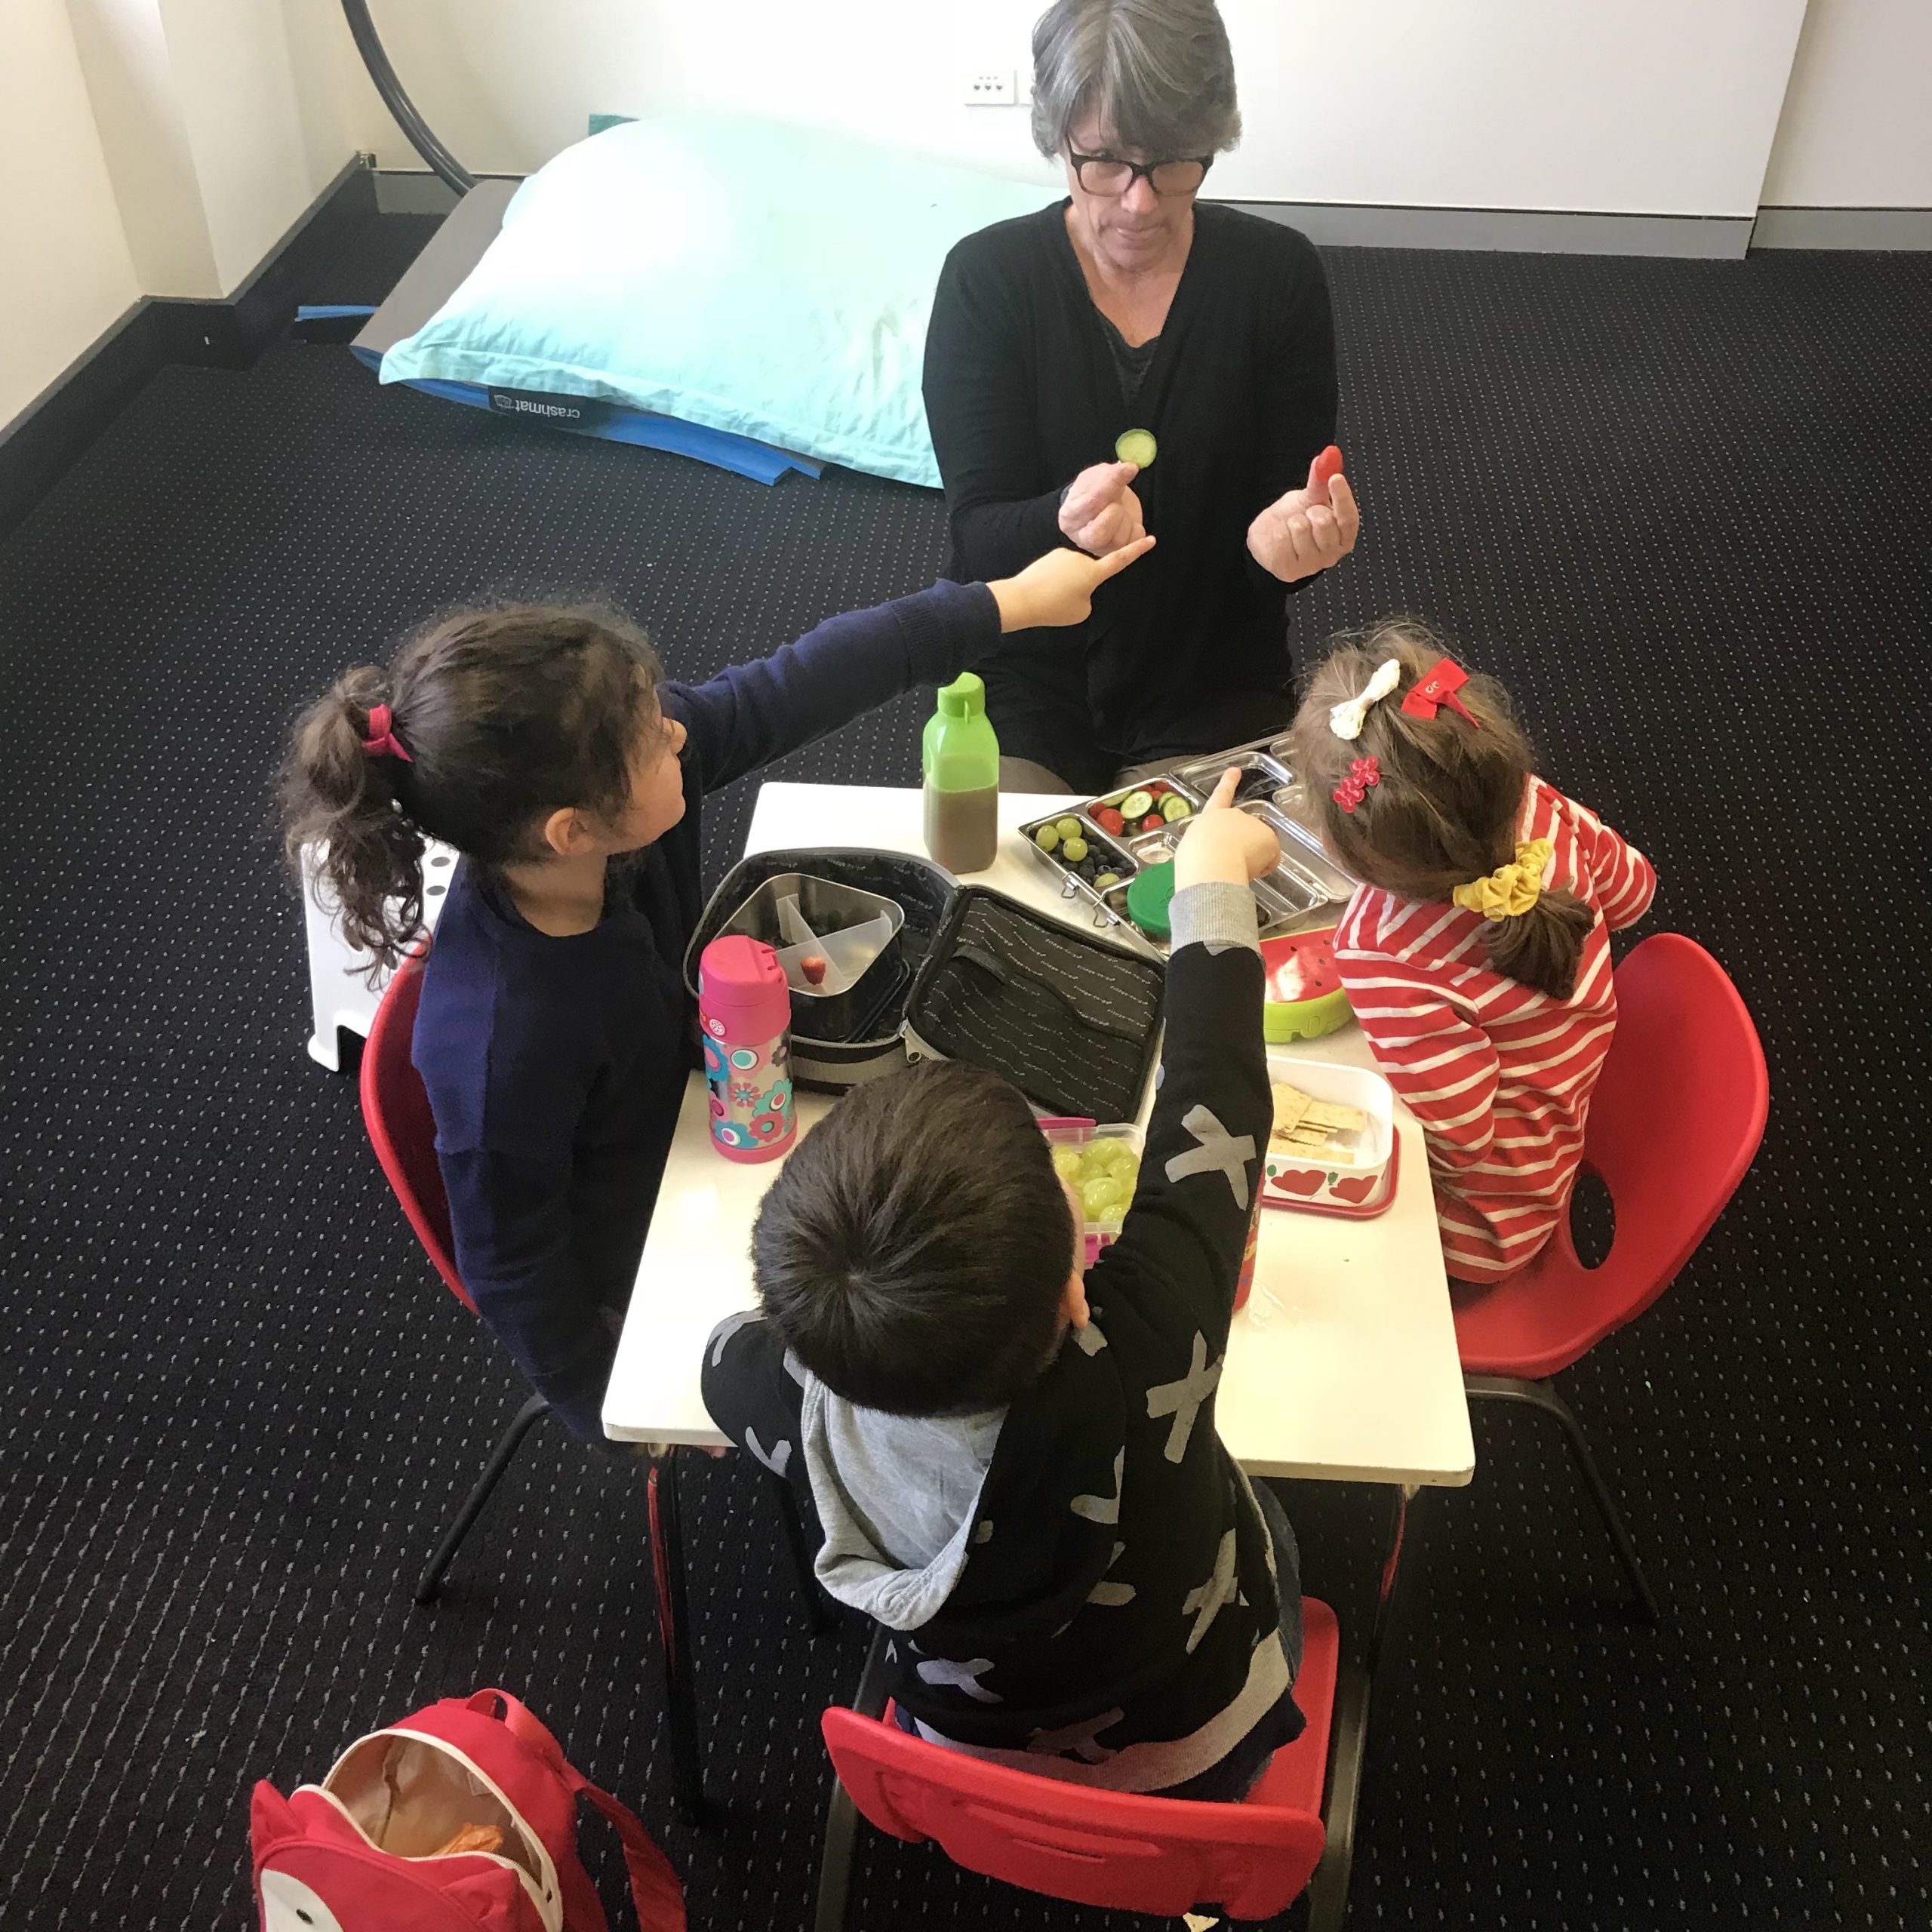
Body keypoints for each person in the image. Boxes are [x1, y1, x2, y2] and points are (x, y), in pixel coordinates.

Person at [281, 537, 1151, 1441]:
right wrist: (618, 1411)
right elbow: (513, 1273)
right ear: (573, 829)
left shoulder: (598, 814)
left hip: (719, 1104)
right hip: (660, 1242)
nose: (680, 731)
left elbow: (797, 680)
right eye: (654, 737)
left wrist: (1006, 603)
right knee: (948, 1307)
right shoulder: (499, 1044)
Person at [703, 771, 1306, 1798]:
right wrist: (1209, 879)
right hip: (1195, 1743)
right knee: (1285, 1531)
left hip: (959, 1751)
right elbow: (1220, 1097)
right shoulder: (1150, 1336)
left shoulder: (782, 1391)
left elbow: (724, 1353)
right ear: (1080, 1267)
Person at [922, 0, 1358, 796]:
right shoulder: (987, 282)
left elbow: (1278, 532)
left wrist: (1289, 547)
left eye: (1173, 162)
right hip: (1025, 676)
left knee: (1224, 911)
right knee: (998, 908)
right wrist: (1059, 516)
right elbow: (979, 533)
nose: (1140, 201)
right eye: (1106, 162)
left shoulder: (1277, 278)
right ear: (1058, 137)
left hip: (1214, 684)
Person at [1286, 623, 1658, 1283]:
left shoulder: (1380, 952)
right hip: (1558, 1123)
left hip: (1484, 1230)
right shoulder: (1540, 806)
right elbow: (1634, 893)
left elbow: (1458, 1144)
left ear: (1343, 848)